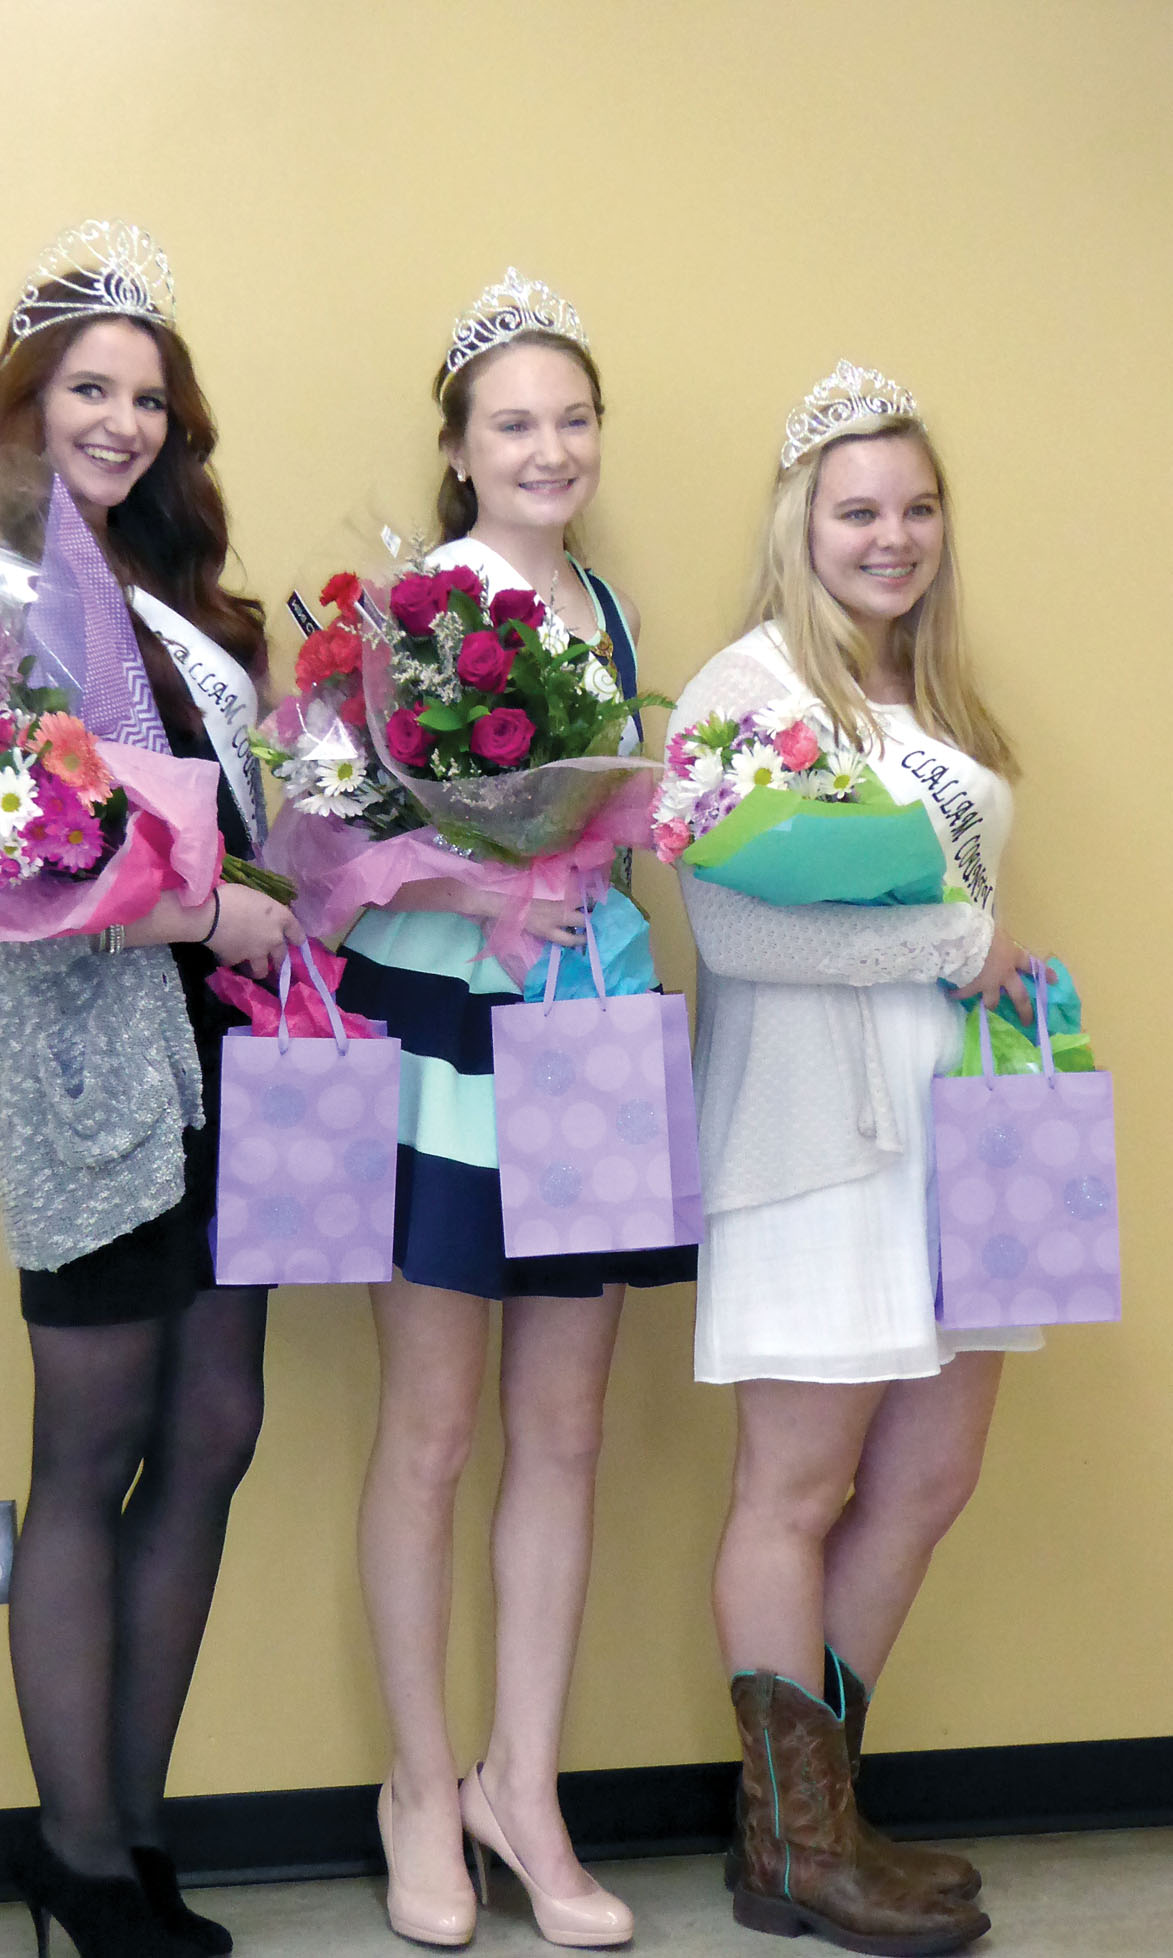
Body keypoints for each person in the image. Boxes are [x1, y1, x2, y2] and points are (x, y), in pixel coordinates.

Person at [0, 220, 301, 1958]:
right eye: (90, 387)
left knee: (214, 1432)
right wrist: (200, 897)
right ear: (26, 403)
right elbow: (11, 846)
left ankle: (138, 1829)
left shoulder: (184, 604)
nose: (123, 421)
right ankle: (80, 1858)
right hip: (87, 1068)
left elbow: (225, 809)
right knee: (87, 1450)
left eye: (148, 395)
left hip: (230, 1057)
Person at [332, 270, 696, 1949]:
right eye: (512, 424)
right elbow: (330, 852)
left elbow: (602, 821)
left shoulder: (607, 613)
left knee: (564, 1428)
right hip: (445, 1037)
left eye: (570, 418)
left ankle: (520, 1785)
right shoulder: (418, 614)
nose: (547, 447)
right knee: (435, 1430)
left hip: (593, 1025)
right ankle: (418, 1784)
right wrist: (468, 895)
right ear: (461, 451)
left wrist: (668, 816)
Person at [671, 360, 1037, 1955]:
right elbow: (734, 927)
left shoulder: (936, 700)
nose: (892, 537)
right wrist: (947, 943)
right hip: (817, 1138)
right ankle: (800, 1847)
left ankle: (809, 1815)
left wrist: (971, 965)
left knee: (930, 1471)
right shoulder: (741, 693)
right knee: (799, 1483)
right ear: (798, 523)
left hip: (954, 1133)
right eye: (857, 509)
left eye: (915, 506)